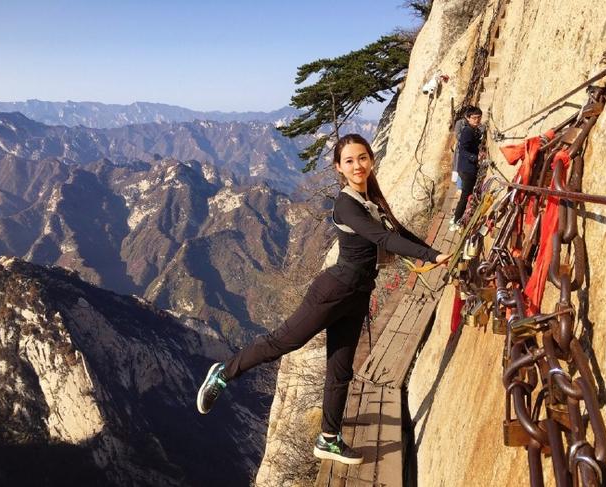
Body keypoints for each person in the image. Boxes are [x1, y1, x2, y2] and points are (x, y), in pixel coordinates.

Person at [196, 134, 449, 465]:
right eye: (349, 161)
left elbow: (396, 232)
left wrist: (437, 254)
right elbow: (382, 238)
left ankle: (328, 438)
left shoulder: (370, 197)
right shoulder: (346, 203)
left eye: (362, 158)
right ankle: (223, 373)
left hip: (357, 295)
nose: (358, 165)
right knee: (282, 343)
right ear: (339, 168)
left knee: (340, 369)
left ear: (371, 160)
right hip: (333, 292)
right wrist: (430, 254)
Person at [450, 106, 485, 232]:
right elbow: (462, 150)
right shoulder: (467, 131)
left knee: (467, 194)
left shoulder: (474, 130)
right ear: (468, 118)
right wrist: (475, 157)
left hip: (467, 167)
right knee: (466, 195)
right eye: (474, 118)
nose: (477, 120)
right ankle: (456, 220)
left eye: (479, 117)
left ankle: (457, 217)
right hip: (467, 168)